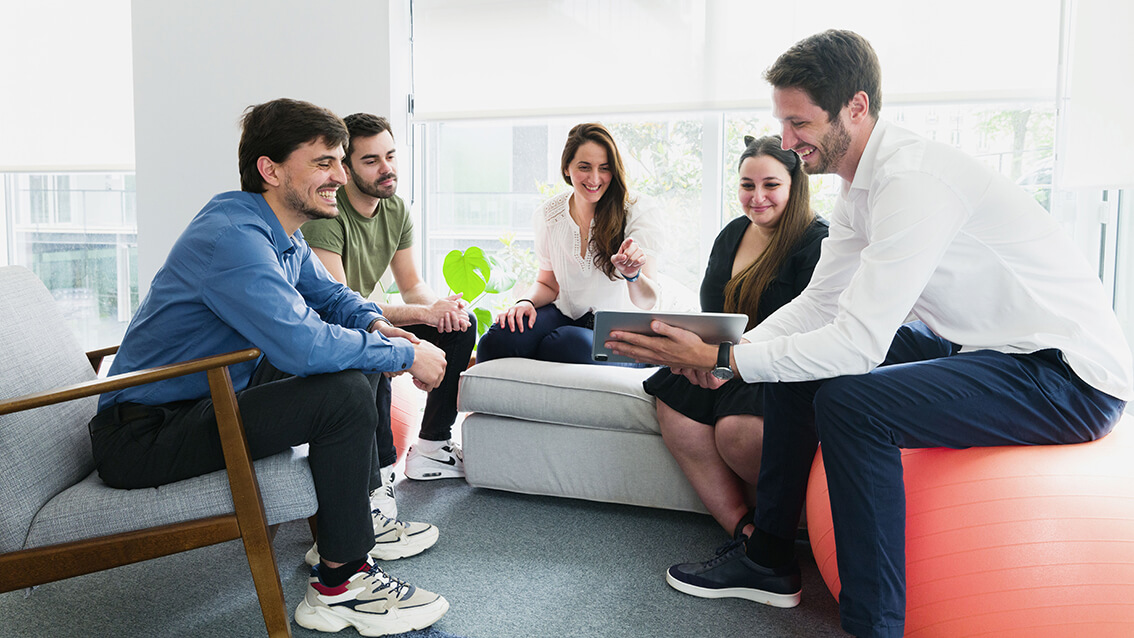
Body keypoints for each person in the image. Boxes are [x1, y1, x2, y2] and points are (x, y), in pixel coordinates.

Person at [605, 30, 1133, 638]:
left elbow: (856, 343)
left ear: (856, 108)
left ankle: (872, 626)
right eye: (782, 122)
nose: (787, 141)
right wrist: (732, 354)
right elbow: (822, 304)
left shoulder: (914, 182)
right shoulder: (862, 187)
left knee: (850, 404)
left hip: (1067, 376)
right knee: (798, 370)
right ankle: (770, 559)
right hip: (991, 350)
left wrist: (724, 357)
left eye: (799, 123)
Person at [88, 98, 452, 636]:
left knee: (355, 355)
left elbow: (332, 298)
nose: (340, 175)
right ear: (271, 168)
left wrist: (380, 328)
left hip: (211, 398)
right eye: (324, 162)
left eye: (340, 161)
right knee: (343, 389)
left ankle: (356, 515)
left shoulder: (277, 229)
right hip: (145, 433)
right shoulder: (234, 238)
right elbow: (303, 347)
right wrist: (406, 353)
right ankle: (341, 585)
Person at [644, 134, 827, 541]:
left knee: (736, 432)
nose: (757, 196)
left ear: (794, 186)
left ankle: (799, 525)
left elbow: (811, 326)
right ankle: (743, 530)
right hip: (724, 358)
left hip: (779, 365)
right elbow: (712, 311)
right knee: (673, 391)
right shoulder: (732, 235)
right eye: (747, 185)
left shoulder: (818, 242)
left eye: (771, 185)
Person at [303, 113, 473, 482]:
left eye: (391, 156)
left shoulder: (395, 208)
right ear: (345, 168)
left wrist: (441, 310)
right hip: (339, 329)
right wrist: (424, 314)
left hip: (369, 317)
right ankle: (378, 475)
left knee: (461, 324)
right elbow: (341, 306)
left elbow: (411, 285)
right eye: (371, 160)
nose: (387, 169)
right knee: (373, 341)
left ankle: (431, 447)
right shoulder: (327, 217)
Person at [475, 122, 663, 365]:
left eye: (604, 168)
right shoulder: (549, 214)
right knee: (497, 340)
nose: (595, 178)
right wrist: (525, 302)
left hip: (622, 333)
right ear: (566, 168)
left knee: (565, 343)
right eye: (584, 167)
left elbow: (648, 301)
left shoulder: (637, 209)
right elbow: (547, 283)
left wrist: (632, 275)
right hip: (567, 317)